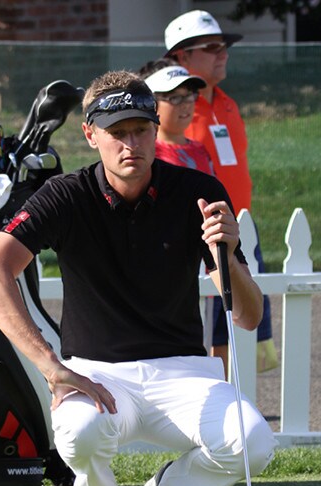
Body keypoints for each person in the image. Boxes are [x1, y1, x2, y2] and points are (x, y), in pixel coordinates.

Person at [0, 70, 276, 486]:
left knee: (253, 442)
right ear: (91, 134)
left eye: (140, 130)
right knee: (78, 431)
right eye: (116, 132)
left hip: (185, 375)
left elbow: (247, 316)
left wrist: (229, 254)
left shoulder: (197, 191)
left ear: (155, 129)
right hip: (98, 375)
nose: (130, 143)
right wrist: (51, 366)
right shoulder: (65, 195)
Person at [164, 9, 278, 373]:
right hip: (203, 232)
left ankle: (230, 389)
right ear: (182, 56)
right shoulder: (174, 111)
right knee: (209, 325)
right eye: (211, 47)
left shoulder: (227, 103)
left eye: (224, 46)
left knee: (237, 322)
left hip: (240, 224)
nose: (223, 53)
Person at [138, 57, 228, 366]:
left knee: (216, 338)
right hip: (170, 263)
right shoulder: (149, 154)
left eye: (189, 95)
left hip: (206, 258)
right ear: (150, 103)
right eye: (174, 97)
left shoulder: (199, 148)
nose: (185, 104)